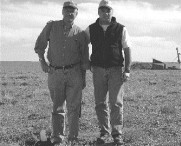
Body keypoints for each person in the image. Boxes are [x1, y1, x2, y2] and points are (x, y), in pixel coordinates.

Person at [34, 1, 89, 145]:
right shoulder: (51, 26)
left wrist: (83, 79)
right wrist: (42, 61)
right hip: (55, 73)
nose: (70, 13)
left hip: (75, 74)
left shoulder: (81, 33)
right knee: (57, 107)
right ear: (62, 12)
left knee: (74, 107)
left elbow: (84, 58)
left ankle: (73, 138)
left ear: (77, 13)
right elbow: (40, 45)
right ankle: (58, 138)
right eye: (67, 10)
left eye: (73, 11)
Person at [85, 0, 132, 145]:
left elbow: (127, 49)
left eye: (108, 10)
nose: (105, 13)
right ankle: (104, 133)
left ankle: (117, 134)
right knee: (100, 103)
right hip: (98, 70)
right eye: (102, 10)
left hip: (115, 70)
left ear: (112, 12)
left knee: (116, 103)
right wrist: (88, 63)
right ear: (98, 12)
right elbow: (82, 45)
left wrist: (127, 70)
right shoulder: (91, 29)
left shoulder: (120, 29)